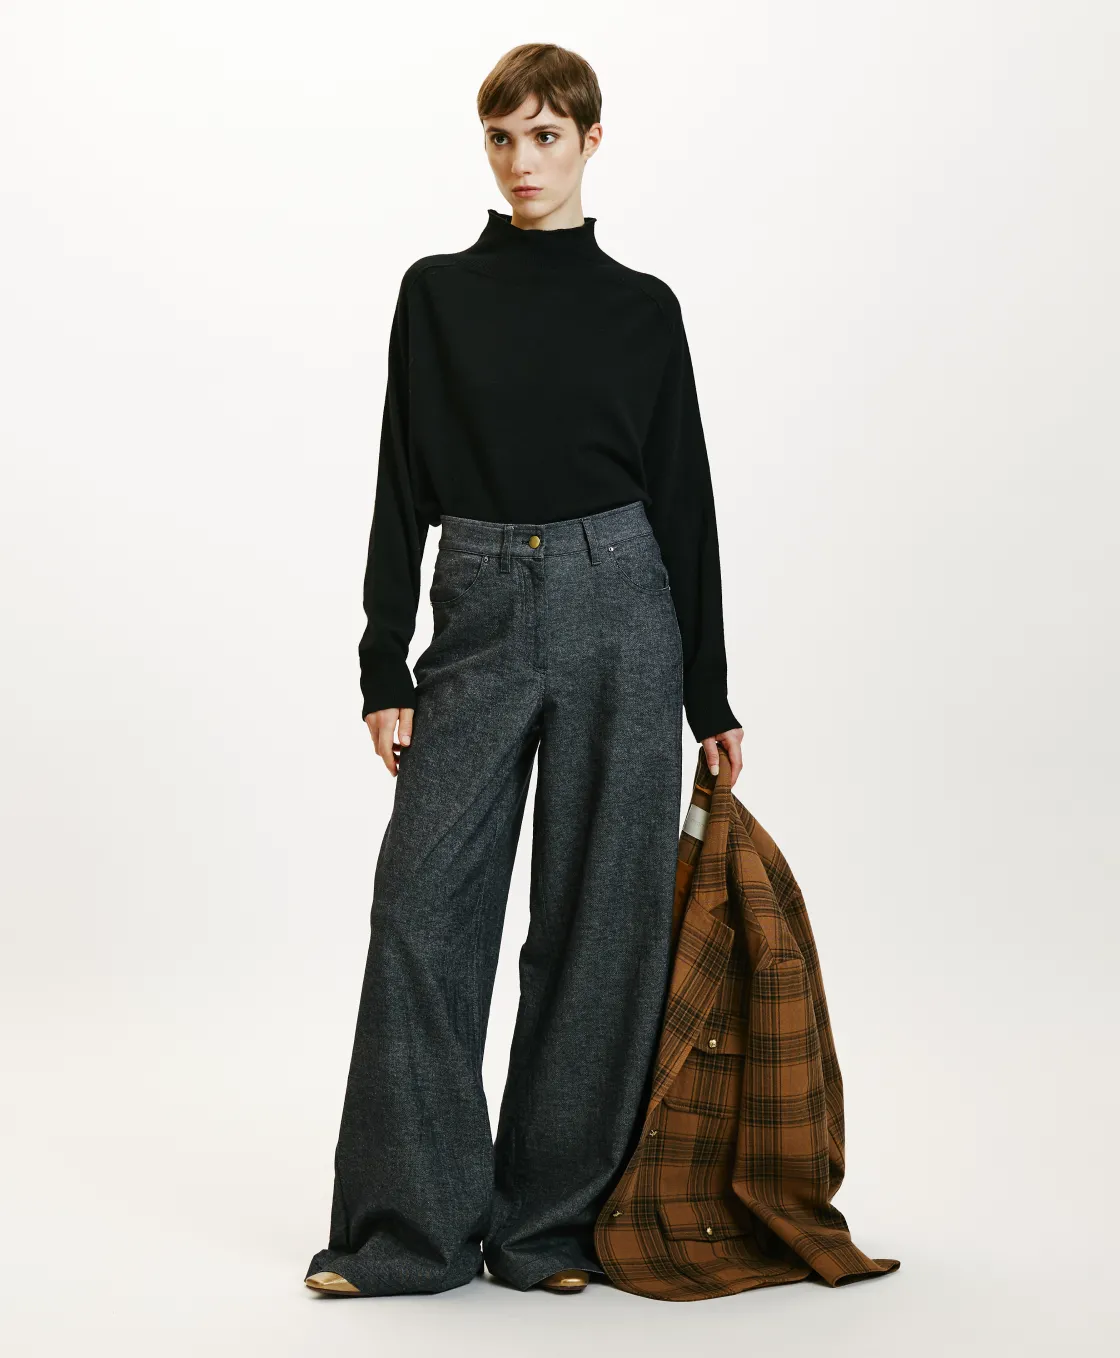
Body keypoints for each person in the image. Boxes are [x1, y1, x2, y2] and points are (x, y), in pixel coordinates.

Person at [304, 41, 744, 1298]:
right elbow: (399, 480)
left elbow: (684, 499)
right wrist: (383, 661)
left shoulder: (644, 308)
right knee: (420, 911)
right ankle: (410, 1231)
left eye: (545, 136)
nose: (521, 161)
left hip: (623, 595)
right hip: (480, 599)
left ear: (590, 141)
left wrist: (708, 691)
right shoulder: (436, 293)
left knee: (597, 925)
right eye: (501, 137)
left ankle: (547, 1226)